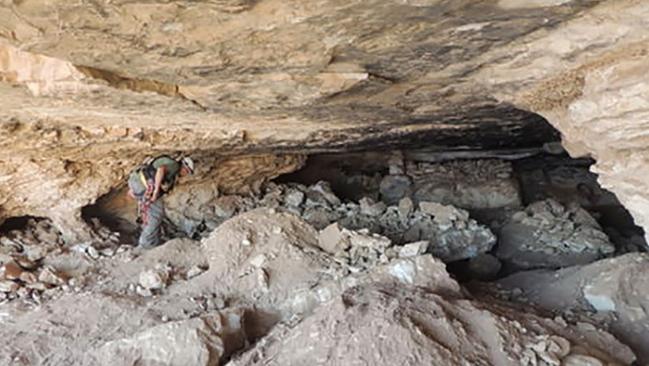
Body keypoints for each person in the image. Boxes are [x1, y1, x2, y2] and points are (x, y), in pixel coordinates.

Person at [127, 155, 194, 248]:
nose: (186, 174)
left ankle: (153, 241)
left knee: (149, 215)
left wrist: (136, 192)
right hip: (144, 185)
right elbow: (161, 169)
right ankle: (145, 244)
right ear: (183, 165)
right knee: (156, 214)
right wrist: (155, 192)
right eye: (187, 171)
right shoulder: (174, 166)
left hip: (137, 182)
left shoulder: (172, 175)